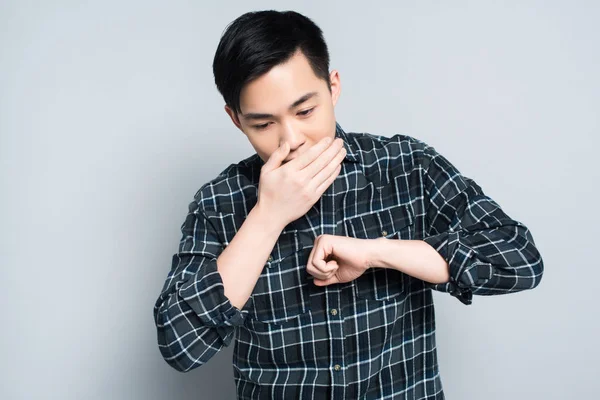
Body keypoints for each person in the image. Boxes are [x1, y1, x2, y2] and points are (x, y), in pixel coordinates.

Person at [153, 10, 544, 399]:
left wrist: (379, 253)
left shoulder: (405, 166)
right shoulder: (219, 203)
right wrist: (268, 216)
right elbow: (181, 347)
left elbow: (521, 260)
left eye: (305, 111)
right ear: (236, 120)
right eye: (263, 124)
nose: (293, 139)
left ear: (333, 87)